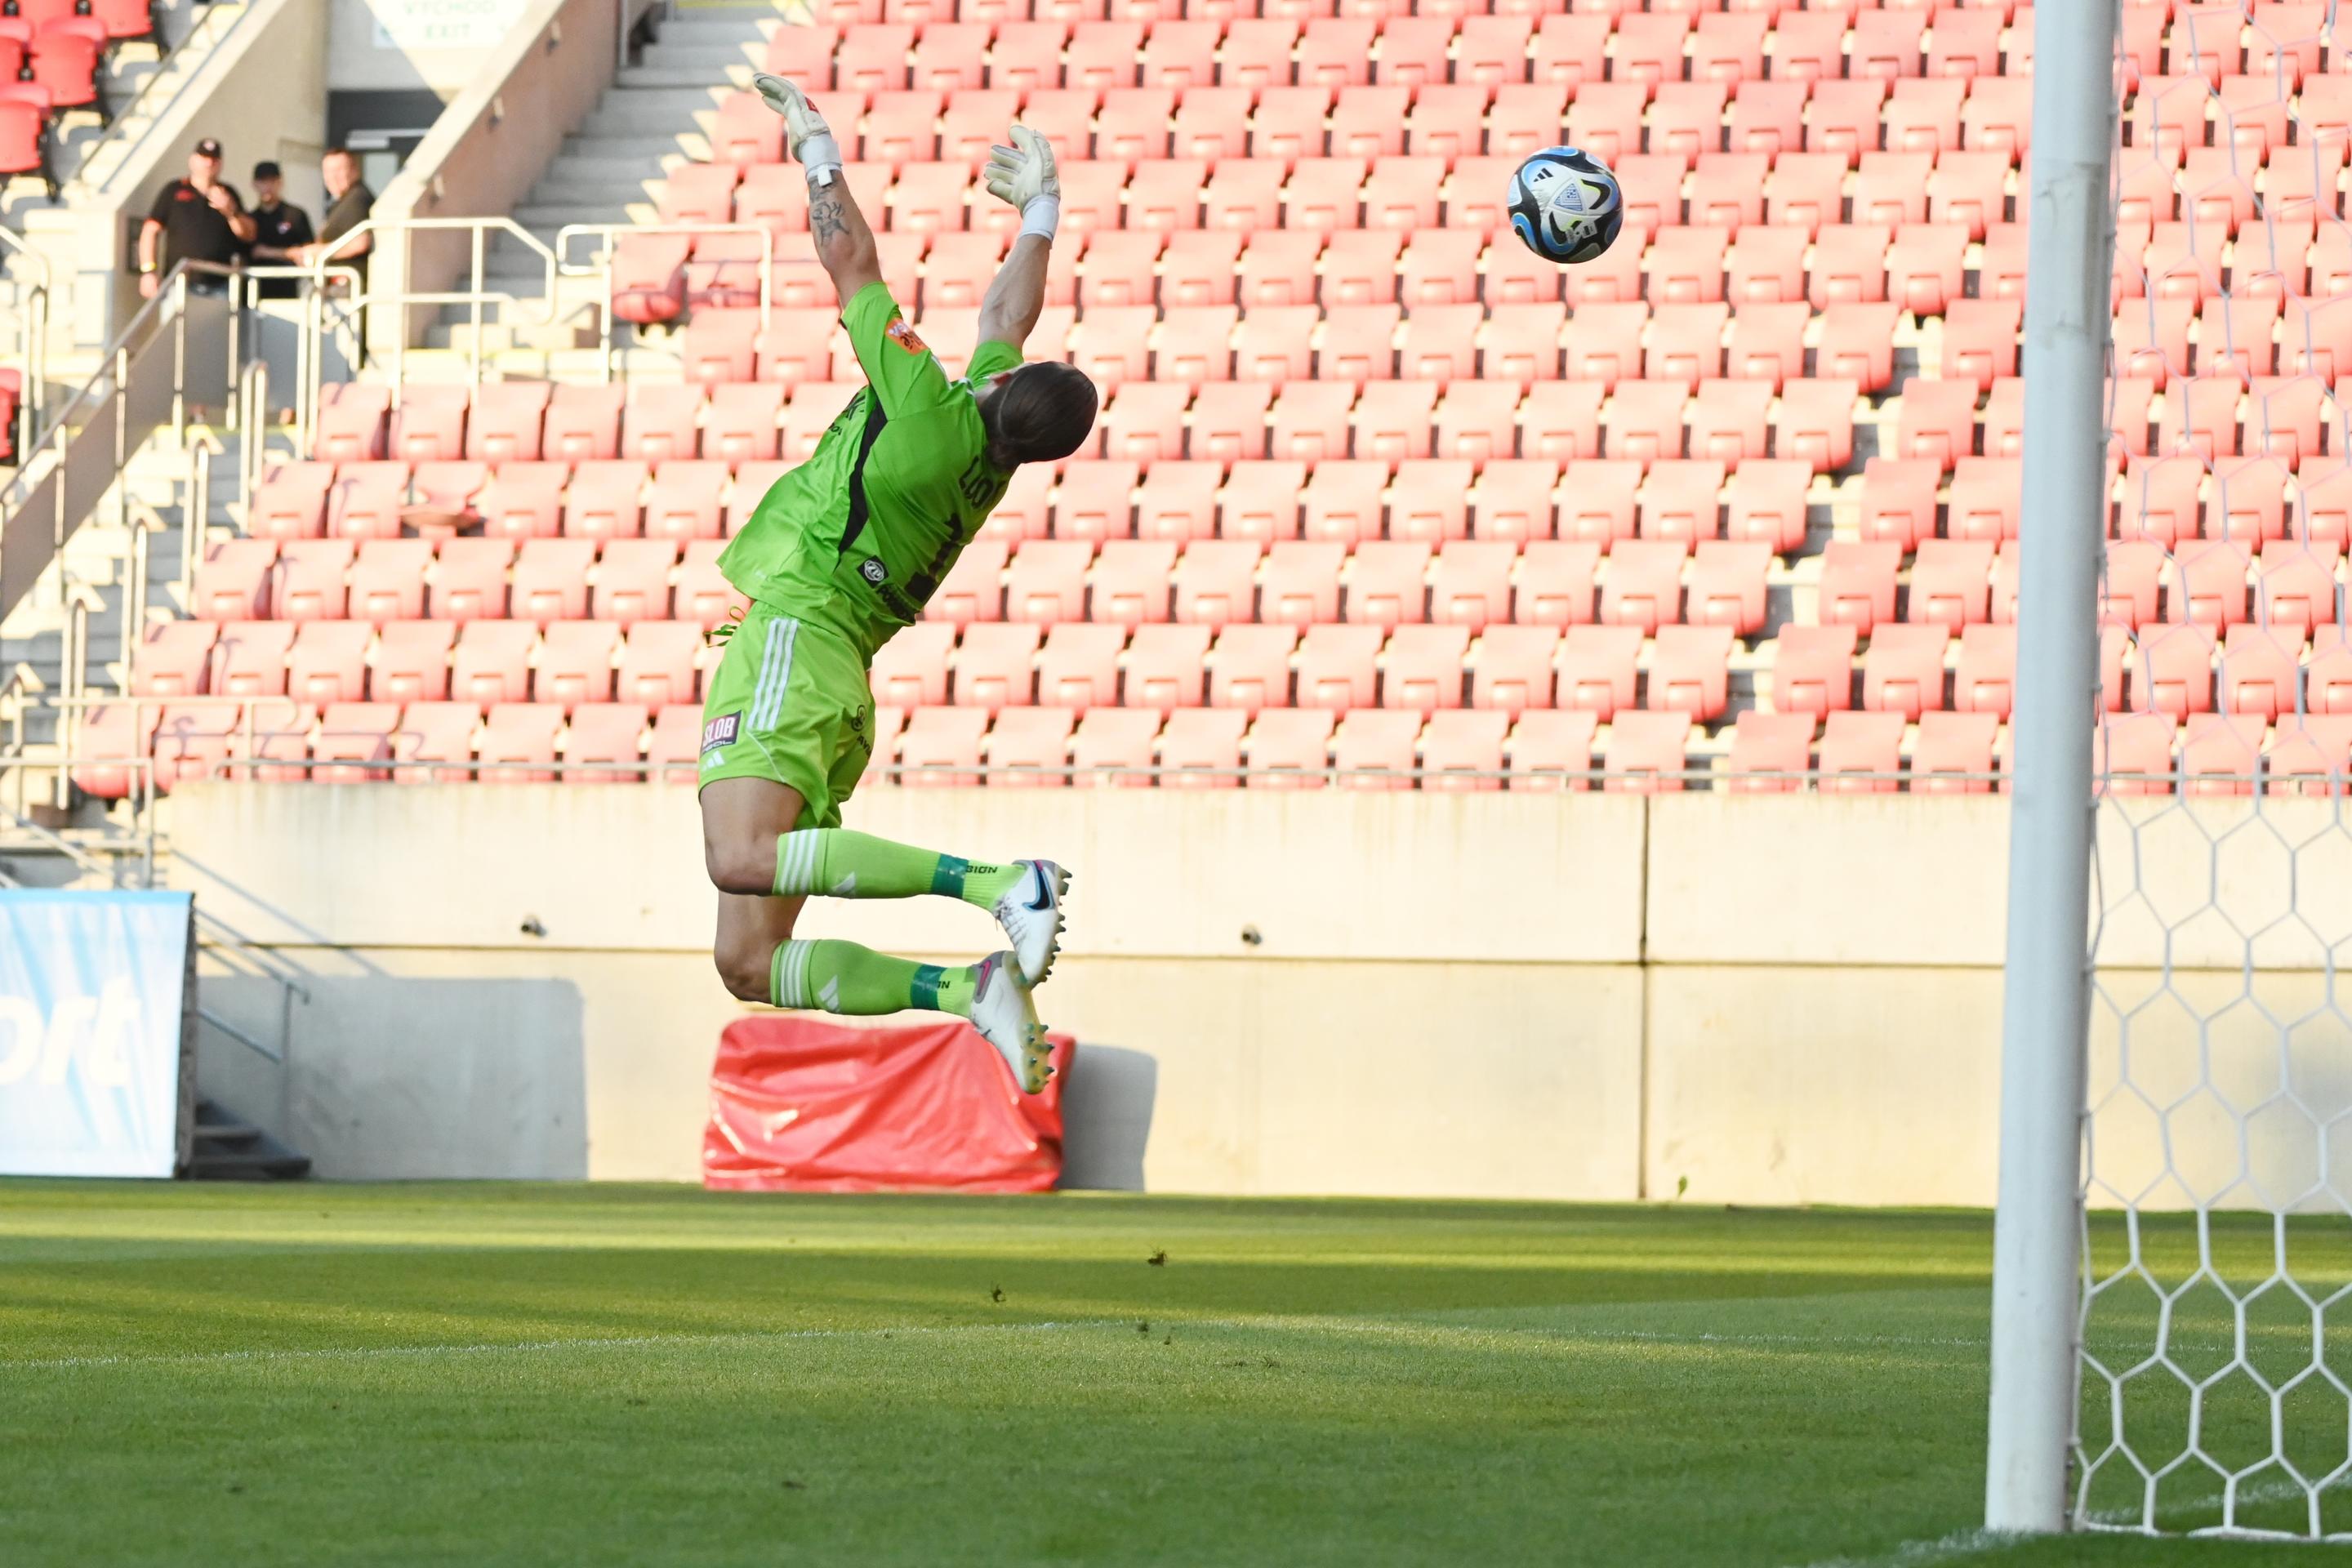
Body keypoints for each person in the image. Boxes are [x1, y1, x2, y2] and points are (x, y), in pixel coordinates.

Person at [697, 74, 1099, 1094]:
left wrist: (816, 149)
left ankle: (1001, 883)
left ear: (1005, 383)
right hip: (831, 666)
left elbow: (852, 261)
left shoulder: (928, 410)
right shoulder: (987, 455)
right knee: (747, 964)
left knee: (740, 861)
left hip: (803, 635)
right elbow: (1007, 311)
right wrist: (1039, 221)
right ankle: (967, 992)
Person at [139, 138, 256, 299]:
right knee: (177, 324)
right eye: (204, 158)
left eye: (214, 159)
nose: (208, 163)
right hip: (180, 283)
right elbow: (150, 231)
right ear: (192, 160)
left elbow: (248, 235)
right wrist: (148, 271)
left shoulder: (229, 193)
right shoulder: (174, 190)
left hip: (219, 284)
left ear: (220, 164)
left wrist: (231, 212)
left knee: (218, 325)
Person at [243, 160, 314, 302]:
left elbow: (308, 253)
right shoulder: (249, 220)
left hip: (286, 293)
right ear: (254, 184)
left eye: (272, 181)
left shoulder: (295, 215)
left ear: (280, 183)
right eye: (263, 181)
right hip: (253, 294)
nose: (267, 187)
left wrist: (268, 252)